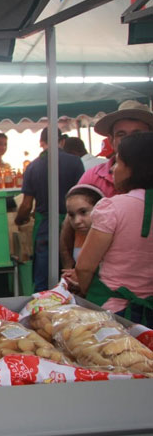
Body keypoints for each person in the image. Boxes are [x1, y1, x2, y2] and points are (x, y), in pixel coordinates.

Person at [65, 132, 153, 324]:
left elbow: (85, 267)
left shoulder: (113, 208)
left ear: (134, 169)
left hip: (114, 311)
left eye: (119, 163)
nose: (113, 169)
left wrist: (85, 289)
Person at [15, 127, 84, 292]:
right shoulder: (75, 162)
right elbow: (82, 195)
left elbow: (26, 204)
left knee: (43, 277)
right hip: (74, 224)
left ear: (41, 143)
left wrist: (19, 219)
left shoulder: (33, 167)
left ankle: (42, 308)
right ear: (62, 142)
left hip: (45, 227)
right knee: (71, 273)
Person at [60, 184, 104, 269]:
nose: (77, 221)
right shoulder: (77, 235)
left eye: (83, 212)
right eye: (71, 215)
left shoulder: (110, 239)